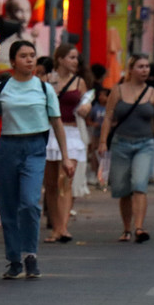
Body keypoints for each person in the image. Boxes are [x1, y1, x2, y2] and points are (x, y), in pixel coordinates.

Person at [0, 40, 71, 279]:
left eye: (33, 55)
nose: (30, 59)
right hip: (7, 148)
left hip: (35, 148)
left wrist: (66, 157)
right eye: (23, 56)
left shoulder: (44, 89)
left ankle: (30, 254)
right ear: (12, 61)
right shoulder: (2, 89)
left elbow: (57, 123)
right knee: (9, 207)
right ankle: (14, 259)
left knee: (30, 203)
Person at [98, 54, 154, 243]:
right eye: (140, 66)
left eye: (147, 66)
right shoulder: (118, 91)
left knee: (139, 185)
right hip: (121, 143)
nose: (145, 70)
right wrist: (103, 142)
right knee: (123, 189)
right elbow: (108, 116)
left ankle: (139, 227)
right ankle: (126, 228)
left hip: (144, 144)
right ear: (131, 69)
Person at [43, 44, 90, 243]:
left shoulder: (79, 82)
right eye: (71, 57)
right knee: (51, 184)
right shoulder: (46, 80)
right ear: (60, 59)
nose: (75, 61)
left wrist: (86, 108)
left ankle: (63, 227)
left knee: (65, 180)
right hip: (49, 132)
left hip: (70, 132)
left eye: (76, 58)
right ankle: (56, 227)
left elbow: (85, 103)